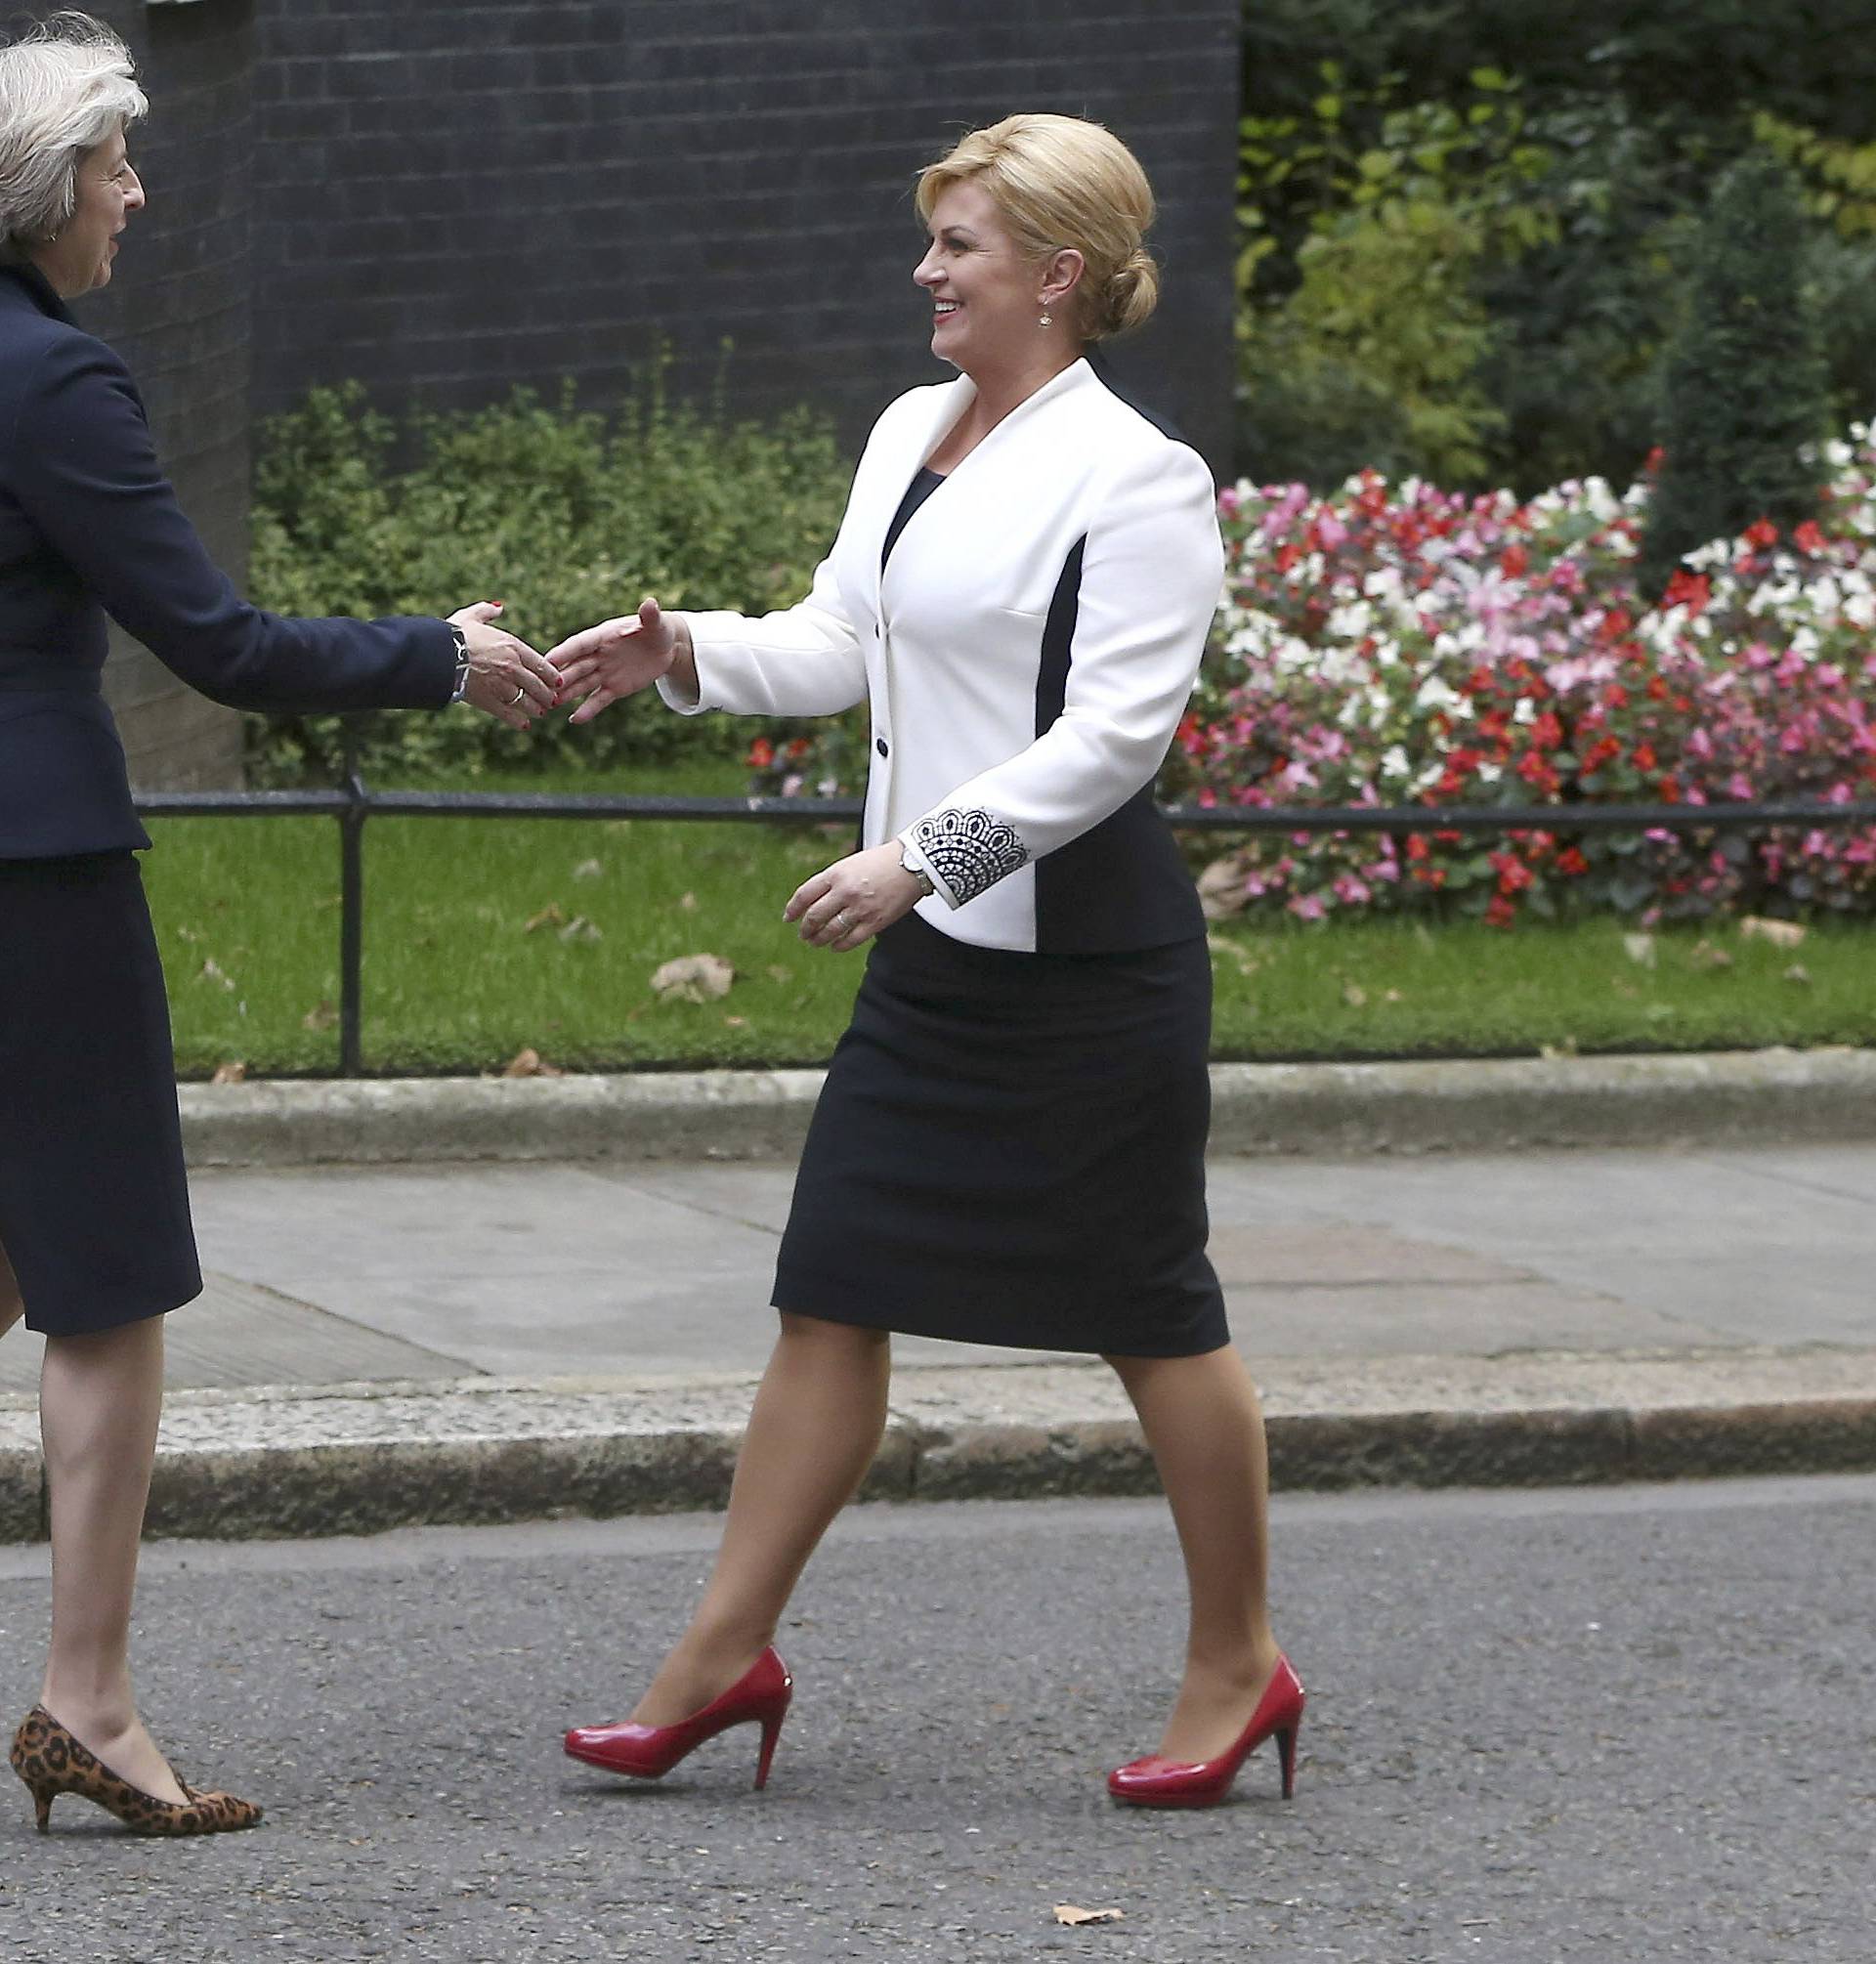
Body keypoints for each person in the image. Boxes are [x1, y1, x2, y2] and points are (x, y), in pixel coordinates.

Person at [549, 112, 1303, 1811]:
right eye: (933, 239)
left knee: (1153, 1314)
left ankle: (1239, 1661)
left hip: (1086, 957)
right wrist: (684, 651)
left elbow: (1115, 737)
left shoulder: (1141, 476)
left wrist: (923, 854)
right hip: (939, 953)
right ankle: (718, 1660)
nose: (927, 271)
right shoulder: (911, 429)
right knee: (833, 1286)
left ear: (1055, 272)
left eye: (959, 245)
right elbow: (845, 634)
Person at [0, 13, 556, 1836]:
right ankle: (88, 1699)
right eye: (115, 167)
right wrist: (442, 653)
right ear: (43, 185)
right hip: (38, 876)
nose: (137, 196)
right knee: (106, 1288)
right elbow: (217, 646)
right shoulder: (54, 382)